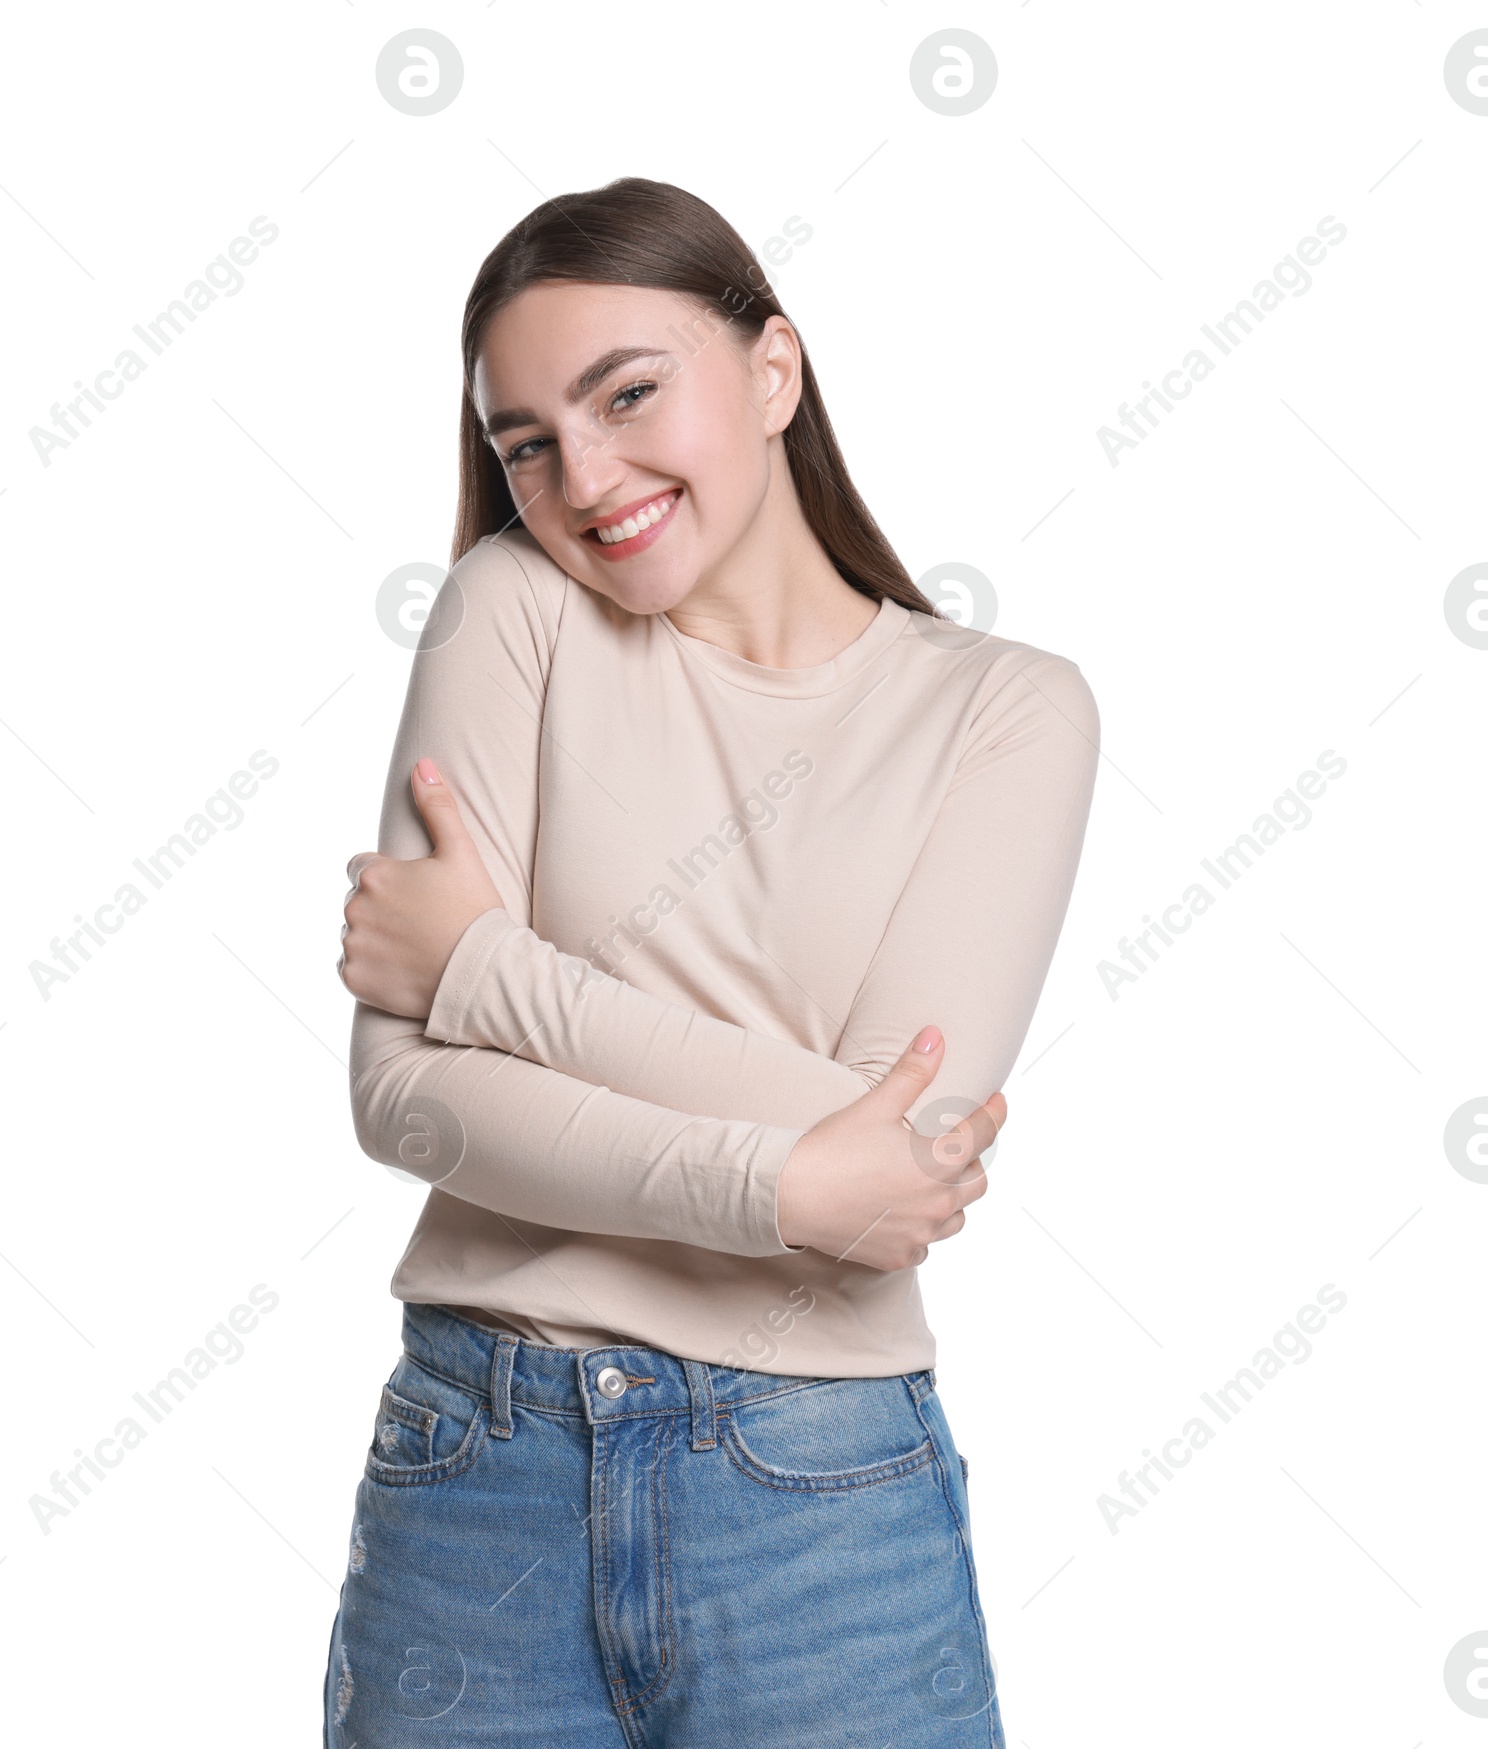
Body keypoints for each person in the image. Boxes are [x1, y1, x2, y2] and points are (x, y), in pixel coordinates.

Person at [325, 175, 1098, 1747]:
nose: (583, 477)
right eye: (526, 443)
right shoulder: (509, 613)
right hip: (479, 1467)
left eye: (628, 394)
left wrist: (483, 971)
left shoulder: (1007, 711)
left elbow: (899, 1144)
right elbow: (404, 1104)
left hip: (816, 1494)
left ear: (774, 369)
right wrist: (786, 1186)